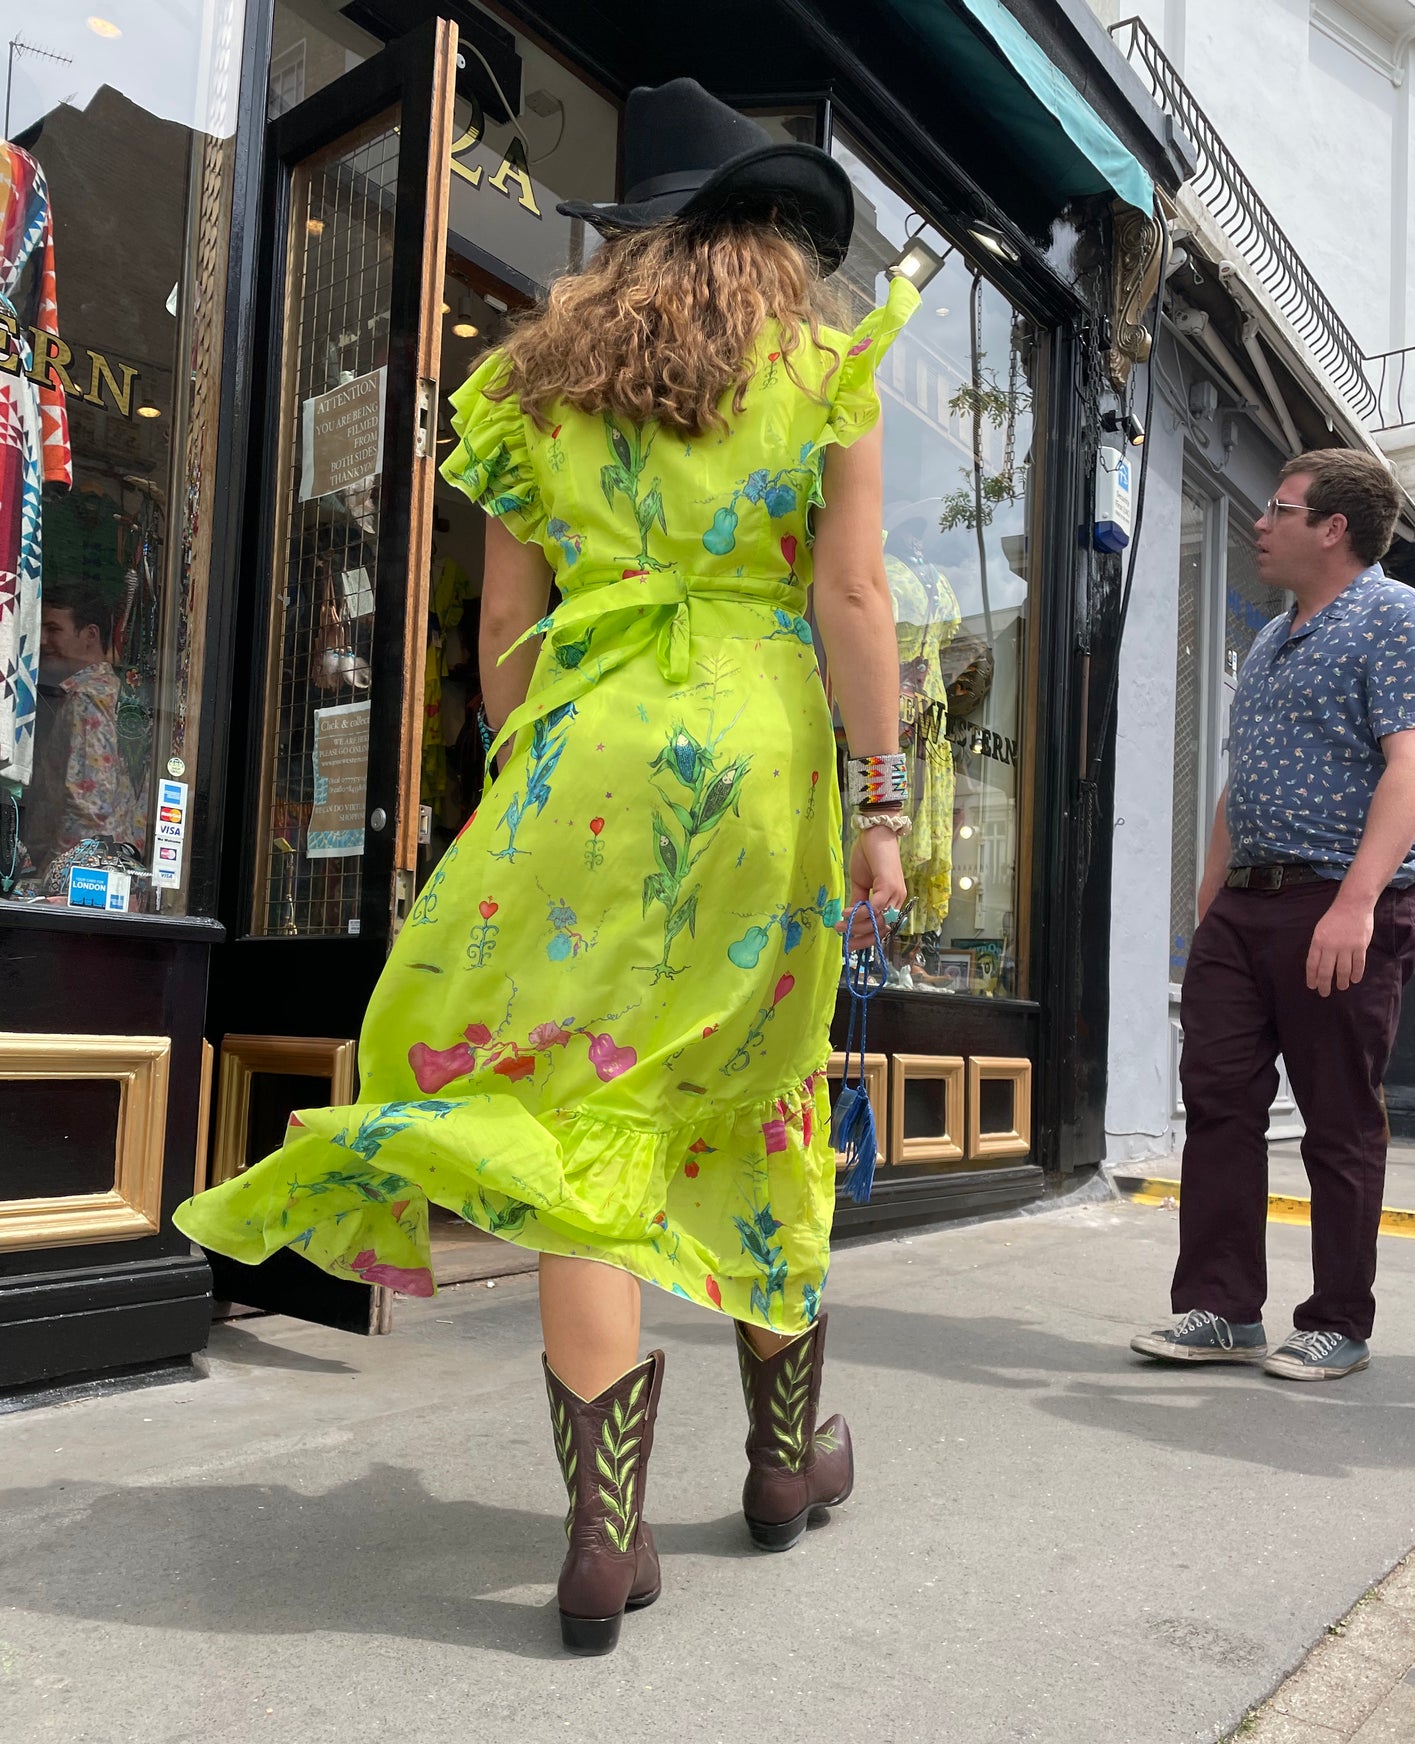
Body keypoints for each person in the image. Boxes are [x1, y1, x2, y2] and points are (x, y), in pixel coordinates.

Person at [176, 79, 915, 1651]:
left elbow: (498, 635)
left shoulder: (530, 387)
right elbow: (852, 598)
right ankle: (784, 1464)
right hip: (759, 758)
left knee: (574, 1103)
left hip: (585, 757)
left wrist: (537, 771)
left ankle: (604, 1532)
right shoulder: (819, 368)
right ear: (768, 240)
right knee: (764, 1084)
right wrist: (884, 799)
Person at [1133, 451, 1415, 1381]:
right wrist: (1210, 896)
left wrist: (1355, 903)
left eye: (1279, 510)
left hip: (1345, 900)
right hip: (1246, 905)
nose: (1259, 525)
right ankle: (1222, 1308)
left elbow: (1414, 767)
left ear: (1333, 528)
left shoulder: (1398, 617)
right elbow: (1245, 774)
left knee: (1336, 1116)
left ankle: (1337, 1319)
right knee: (1218, 1098)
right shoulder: (1270, 640)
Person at [24, 581, 146, 874]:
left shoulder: (86, 699)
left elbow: (89, 805)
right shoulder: (118, 694)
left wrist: (50, 874)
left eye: (53, 629)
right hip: (115, 868)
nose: (41, 640)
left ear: (90, 634)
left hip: (83, 876)